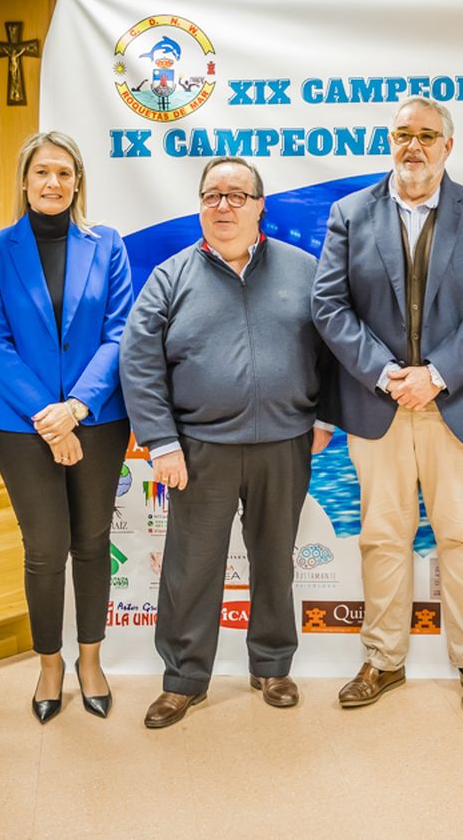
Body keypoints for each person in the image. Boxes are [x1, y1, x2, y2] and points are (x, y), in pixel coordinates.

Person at [313, 97, 463, 713]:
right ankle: (383, 660)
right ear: (390, 142)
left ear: (448, 146)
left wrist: (438, 375)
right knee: (382, 536)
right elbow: (329, 305)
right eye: (403, 134)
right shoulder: (350, 215)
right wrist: (384, 373)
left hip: (455, 404)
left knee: (461, 536)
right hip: (378, 406)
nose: (414, 146)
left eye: (427, 136)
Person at [121, 157, 336, 729]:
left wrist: (323, 416)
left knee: (274, 560)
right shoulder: (169, 278)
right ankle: (184, 679)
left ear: (260, 205)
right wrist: (161, 442)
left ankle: (271, 666)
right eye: (213, 195)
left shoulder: (303, 269)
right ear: (199, 205)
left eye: (238, 195)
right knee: (191, 567)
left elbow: (332, 348)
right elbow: (138, 363)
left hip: (285, 444)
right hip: (199, 450)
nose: (224, 206)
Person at [0, 131, 132, 724]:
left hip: (98, 420)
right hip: (21, 426)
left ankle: (91, 659)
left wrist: (77, 409)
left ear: (78, 181)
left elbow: (120, 333)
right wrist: (48, 414)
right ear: (25, 180)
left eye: (65, 173)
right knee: (44, 550)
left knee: (91, 545)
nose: (54, 183)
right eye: (43, 173)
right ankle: (49, 663)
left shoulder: (107, 244)